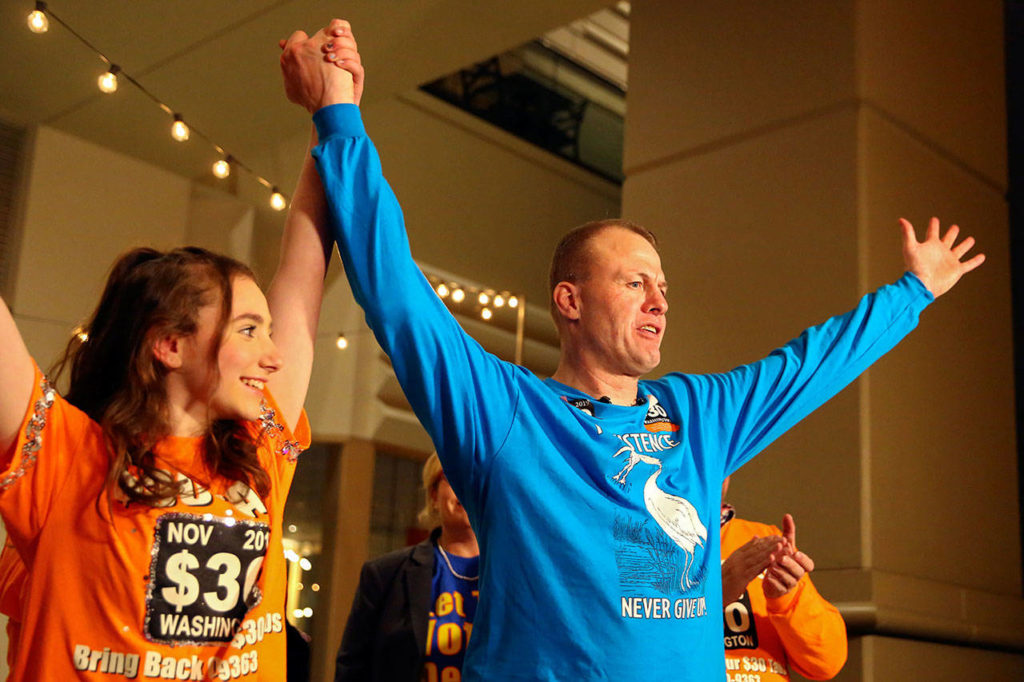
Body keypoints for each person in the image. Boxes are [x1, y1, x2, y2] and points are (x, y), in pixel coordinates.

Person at [280, 19, 984, 680]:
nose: (660, 298)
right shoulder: (506, 413)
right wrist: (338, 115)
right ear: (570, 302)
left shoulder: (699, 415)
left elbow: (812, 363)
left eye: (664, 285)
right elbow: (397, 292)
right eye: (634, 281)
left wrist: (913, 291)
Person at [0, 28, 360, 678]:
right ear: (169, 345)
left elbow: (305, 279)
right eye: (249, 330)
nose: (273, 355)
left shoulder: (259, 451)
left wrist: (330, 113)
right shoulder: (65, 458)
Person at [334, 453, 480, 682]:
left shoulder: (515, 578)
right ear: (433, 495)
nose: (466, 486)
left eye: (477, 477)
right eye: (453, 476)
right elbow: (352, 669)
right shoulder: (384, 574)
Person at [720, 477, 846, 681]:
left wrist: (786, 598)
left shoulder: (763, 540)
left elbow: (826, 661)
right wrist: (714, 595)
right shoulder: (650, 544)